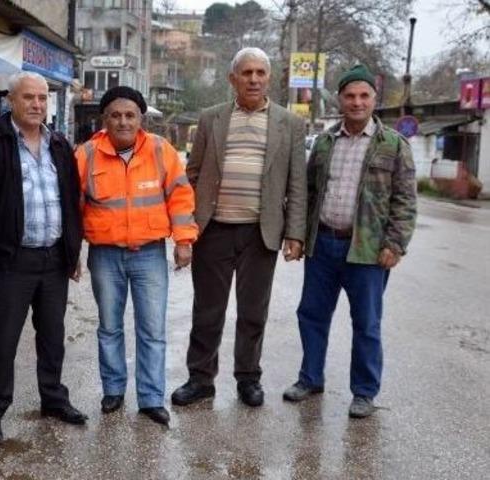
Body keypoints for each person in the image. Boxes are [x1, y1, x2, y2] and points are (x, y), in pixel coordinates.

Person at [171, 47, 307, 409]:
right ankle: (200, 379)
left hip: (260, 233)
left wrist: (295, 233)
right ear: (233, 79)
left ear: (269, 79)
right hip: (213, 230)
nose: (254, 79)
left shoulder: (289, 123)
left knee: (252, 312)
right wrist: (187, 226)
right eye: (246, 73)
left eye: (260, 73)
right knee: (207, 310)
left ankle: (248, 378)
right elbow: (193, 175)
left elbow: (296, 183)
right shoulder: (211, 118)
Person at [282, 64, 416, 418]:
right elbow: (308, 192)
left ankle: (365, 392)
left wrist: (395, 244)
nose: (357, 102)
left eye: (364, 96)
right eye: (350, 96)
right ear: (340, 99)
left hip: (368, 252)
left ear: (374, 99)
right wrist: (297, 235)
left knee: (367, 323)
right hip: (323, 245)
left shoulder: (393, 145)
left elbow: (405, 200)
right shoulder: (325, 142)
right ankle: (310, 378)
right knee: (311, 314)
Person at [0, 71, 86, 446]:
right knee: (1, 341)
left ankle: (53, 398)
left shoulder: (60, 146)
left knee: (53, 336)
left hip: (53, 260)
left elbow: (71, 202)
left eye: (42, 99)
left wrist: (73, 252)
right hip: (11, 261)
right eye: (29, 98)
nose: (37, 105)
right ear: (11, 100)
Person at [76, 86, 197, 426]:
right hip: (105, 255)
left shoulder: (161, 151)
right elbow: (75, 207)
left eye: (130, 115)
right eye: (115, 115)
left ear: (141, 118)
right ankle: (113, 390)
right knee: (109, 327)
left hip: (149, 254)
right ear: (104, 120)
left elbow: (181, 197)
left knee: (152, 329)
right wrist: (72, 253)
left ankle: (150, 397)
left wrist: (184, 240)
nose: (123, 121)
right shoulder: (85, 155)